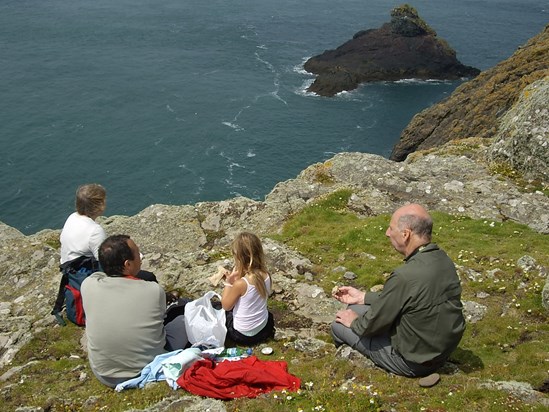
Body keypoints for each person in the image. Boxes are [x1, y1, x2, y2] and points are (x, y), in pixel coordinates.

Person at [331, 203, 465, 377]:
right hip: (438, 350)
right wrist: (363, 297)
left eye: (391, 228)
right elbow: (407, 298)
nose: (387, 233)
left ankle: (350, 366)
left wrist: (354, 322)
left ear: (405, 234)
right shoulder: (441, 259)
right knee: (356, 308)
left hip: (412, 362)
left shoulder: (405, 276)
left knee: (339, 324)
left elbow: (370, 326)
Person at [81, 235, 188, 388]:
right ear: (128, 264)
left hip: (104, 375)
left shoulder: (88, 285)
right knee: (183, 320)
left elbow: (102, 275)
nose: (141, 257)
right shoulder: (153, 290)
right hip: (147, 368)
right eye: (138, 254)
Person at [52, 184, 107, 324]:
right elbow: (104, 261)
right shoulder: (95, 230)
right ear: (99, 206)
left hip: (72, 273)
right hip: (86, 275)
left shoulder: (72, 218)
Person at [220, 232, 275, 345]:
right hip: (265, 329)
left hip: (242, 335)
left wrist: (229, 282)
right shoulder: (266, 275)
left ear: (239, 258)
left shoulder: (240, 284)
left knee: (222, 312)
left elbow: (225, 306)